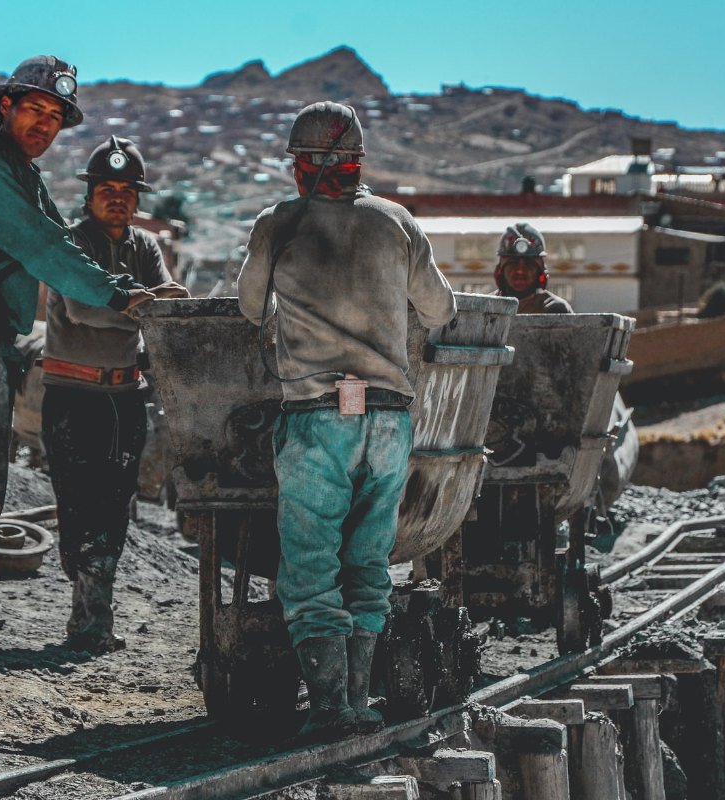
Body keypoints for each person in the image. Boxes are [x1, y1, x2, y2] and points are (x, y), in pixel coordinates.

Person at [0, 56, 170, 675]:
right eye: (34, 109)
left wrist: (121, 283)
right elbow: (46, 247)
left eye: (55, 116)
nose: (44, 124)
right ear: (4, 107)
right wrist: (120, 295)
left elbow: (57, 239)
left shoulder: (22, 175)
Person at [237, 101, 456, 741]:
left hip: (315, 421)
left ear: (301, 165)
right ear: (359, 159)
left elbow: (250, 306)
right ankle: (360, 701)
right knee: (367, 564)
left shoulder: (279, 222)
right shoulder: (397, 223)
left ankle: (329, 705)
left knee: (309, 569)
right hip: (388, 421)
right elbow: (439, 309)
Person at [42, 136, 187, 655]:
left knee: (115, 506)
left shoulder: (144, 247)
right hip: (73, 397)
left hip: (125, 398)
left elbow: (167, 303)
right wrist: (136, 307)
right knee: (78, 506)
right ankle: (88, 615)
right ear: (90, 195)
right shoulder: (70, 244)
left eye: (127, 191)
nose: (118, 199)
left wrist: (152, 305)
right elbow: (83, 309)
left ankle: (91, 623)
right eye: (108, 189)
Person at [492, 222, 573, 314]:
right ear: (501, 269)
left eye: (528, 264)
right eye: (513, 263)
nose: (520, 270)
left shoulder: (556, 309)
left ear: (540, 271)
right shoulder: (486, 307)